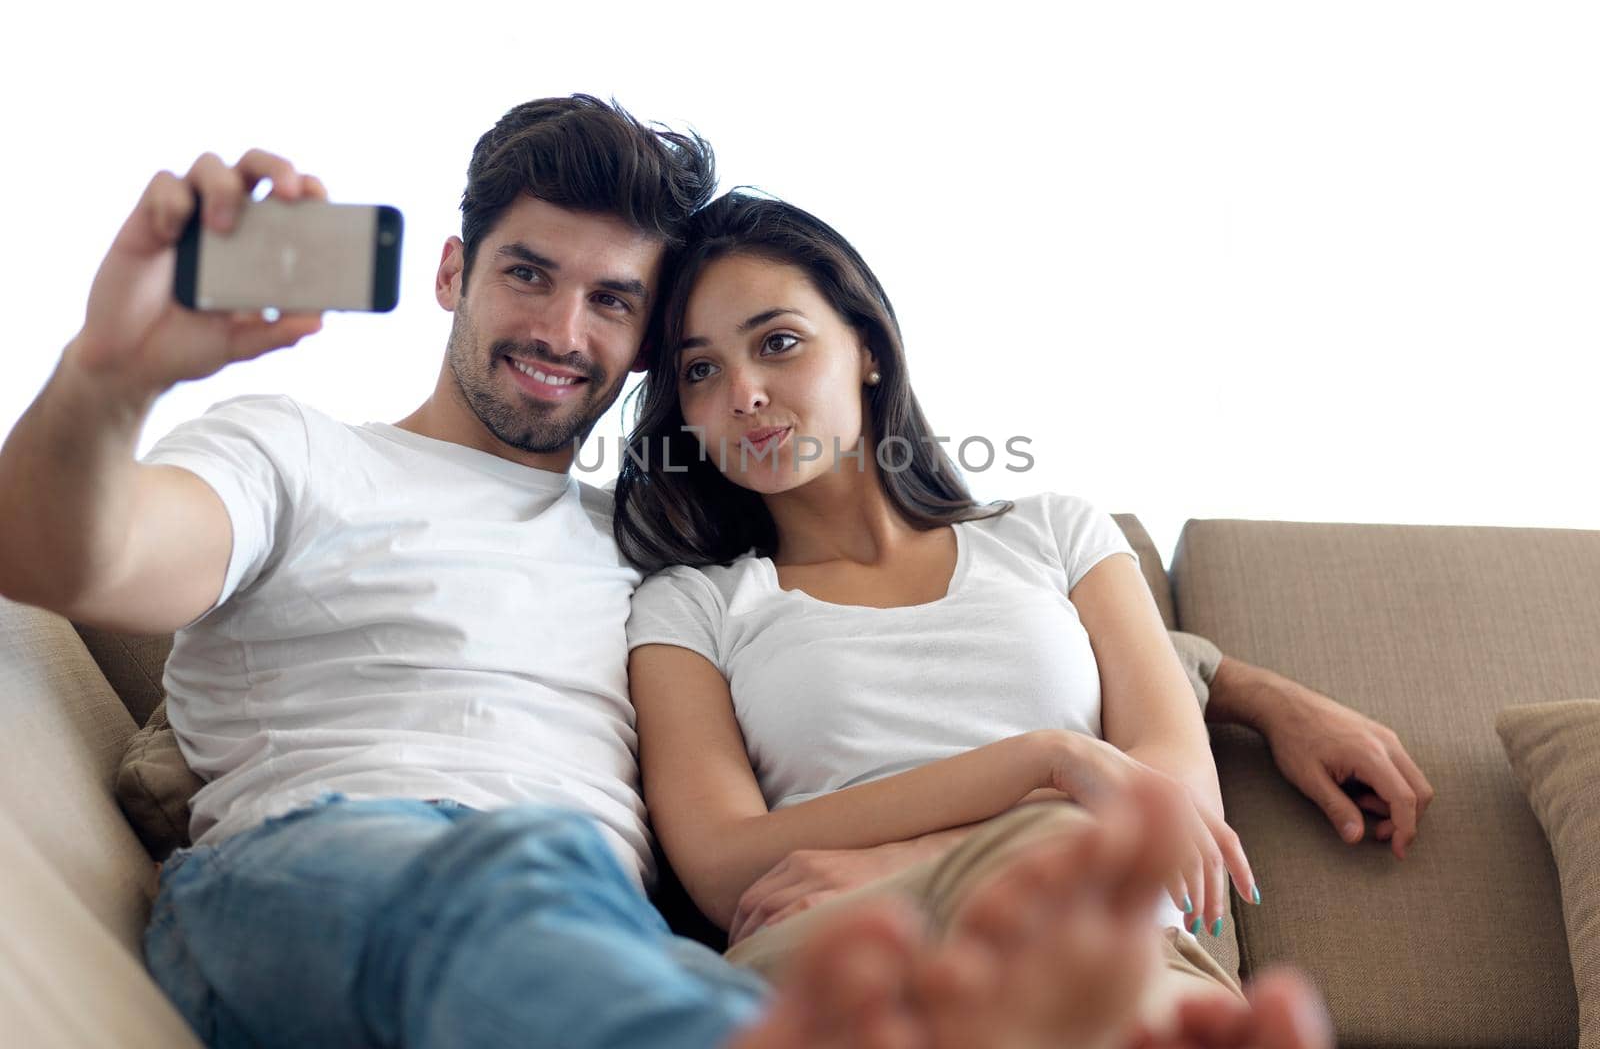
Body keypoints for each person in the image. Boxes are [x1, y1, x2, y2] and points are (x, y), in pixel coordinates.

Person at [0, 96, 1411, 1049]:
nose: (564, 329)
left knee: (619, 931)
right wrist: (107, 380)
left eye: (614, 301)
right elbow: (77, 552)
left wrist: (1251, 691)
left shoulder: (646, 543)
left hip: (599, 932)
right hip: (331, 864)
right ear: (449, 274)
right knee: (532, 894)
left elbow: (1006, 631)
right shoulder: (290, 452)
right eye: (528, 275)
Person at [614, 190, 1429, 1030]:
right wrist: (1048, 762)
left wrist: (913, 855)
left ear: (867, 348)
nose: (743, 393)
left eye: (778, 342)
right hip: (849, 955)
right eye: (700, 369)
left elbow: (1178, 796)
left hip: (1090, 939)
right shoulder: (690, 605)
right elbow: (722, 861)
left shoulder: (1056, 533)